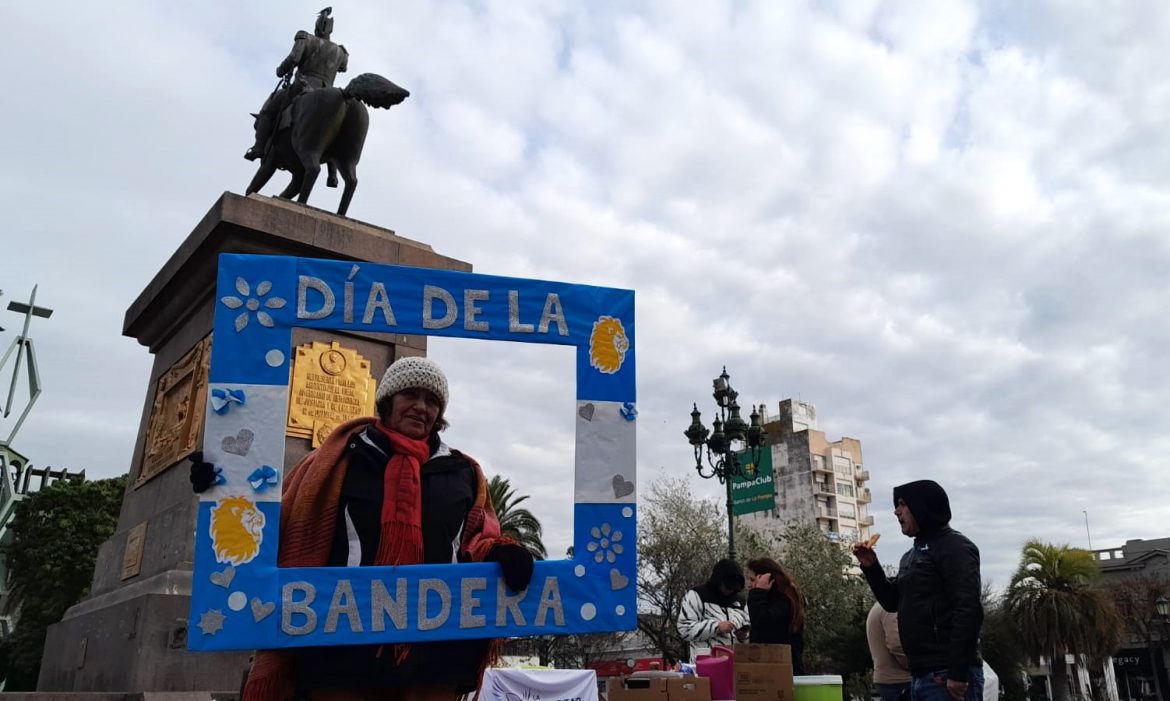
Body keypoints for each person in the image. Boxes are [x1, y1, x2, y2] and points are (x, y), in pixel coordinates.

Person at [194, 356, 534, 701]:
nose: (421, 407)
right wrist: (225, 485)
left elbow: (479, 537)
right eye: (410, 395)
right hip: (341, 644)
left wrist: (502, 550)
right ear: (387, 401)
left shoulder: (463, 471)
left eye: (432, 401)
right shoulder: (335, 460)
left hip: (436, 648)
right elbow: (275, 523)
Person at [852, 480, 984, 701]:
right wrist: (871, 567)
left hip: (946, 674)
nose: (896, 511)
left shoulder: (955, 547)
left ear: (923, 506)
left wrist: (958, 672)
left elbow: (968, 609)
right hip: (920, 675)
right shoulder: (910, 556)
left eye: (903, 504)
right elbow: (892, 602)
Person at [245, 6, 350, 161]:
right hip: (328, 91)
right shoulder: (341, 51)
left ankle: (259, 147)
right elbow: (343, 68)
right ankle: (333, 168)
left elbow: (294, 58)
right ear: (330, 30)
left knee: (268, 110)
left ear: (317, 27)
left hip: (303, 86)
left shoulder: (305, 38)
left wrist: (281, 70)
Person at [677, 559, 749, 662]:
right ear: (718, 581)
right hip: (706, 663)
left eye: (734, 588)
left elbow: (748, 630)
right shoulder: (697, 595)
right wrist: (716, 627)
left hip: (734, 663)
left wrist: (744, 636)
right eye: (728, 587)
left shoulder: (740, 601)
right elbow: (684, 629)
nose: (731, 590)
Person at [745, 557, 806, 675]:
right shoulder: (784, 599)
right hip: (778, 669)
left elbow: (762, 623)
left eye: (753, 580)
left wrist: (757, 593)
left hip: (780, 672)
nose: (749, 585)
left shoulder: (783, 601)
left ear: (766, 579)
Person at [867, 602, 912, 701]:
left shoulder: (880, 607)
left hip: (891, 680)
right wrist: (916, 665)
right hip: (900, 681)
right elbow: (896, 645)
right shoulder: (891, 609)